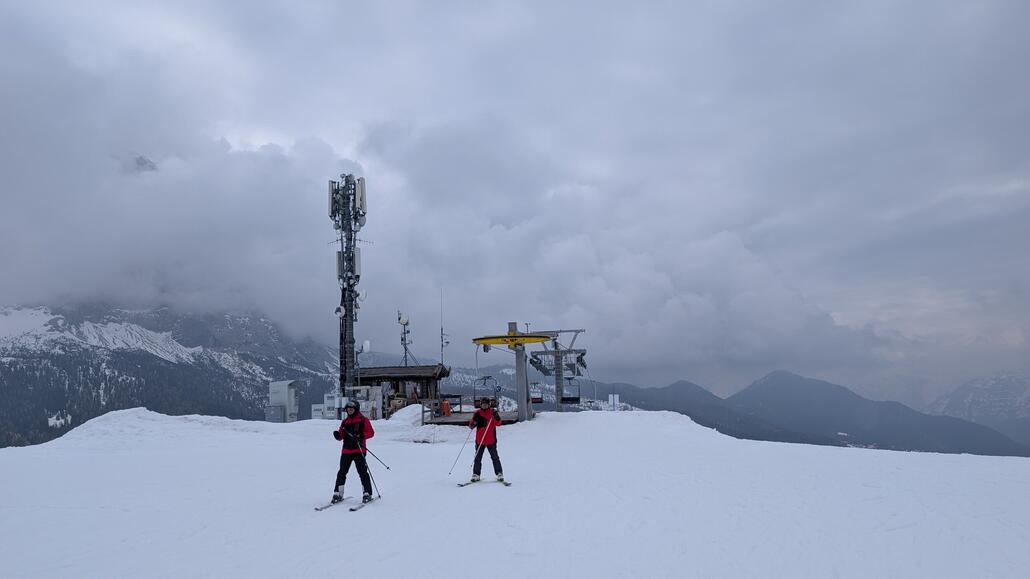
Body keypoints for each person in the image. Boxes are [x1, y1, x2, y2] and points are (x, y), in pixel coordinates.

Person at [331, 400, 375, 504]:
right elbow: (341, 435)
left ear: (356, 409)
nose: (349, 411)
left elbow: (371, 433)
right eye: (348, 409)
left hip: (359, 450)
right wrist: (338, 435)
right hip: (346, 450)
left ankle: (367, 493)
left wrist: (361, 436)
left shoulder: (363, 420)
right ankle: (338, 493)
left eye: (351, 409)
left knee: (362, 472)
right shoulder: (345, 422)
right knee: (342, 472)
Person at [468, 397, 503, 482]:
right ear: (481, 405)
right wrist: (474, 422)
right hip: (480, 440)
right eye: (483, 404)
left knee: (495, 457)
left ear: (489, 405)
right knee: (477, 458)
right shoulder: (477, 413)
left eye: (486, 404)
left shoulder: (492, 412)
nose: (484, 405)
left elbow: (498, 423)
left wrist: (496, 417)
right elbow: (471, 425)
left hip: (491, 439)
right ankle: (476, 474)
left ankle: (499, 473)